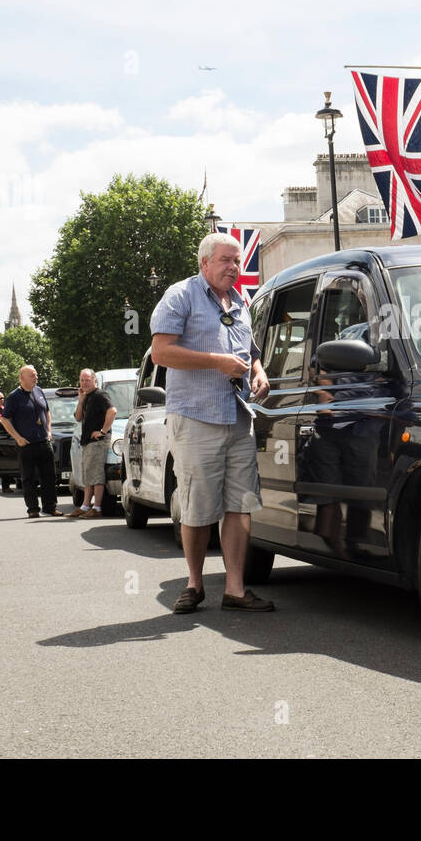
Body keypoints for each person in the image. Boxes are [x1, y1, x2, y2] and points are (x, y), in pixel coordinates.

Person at [151, 231, 272, 613]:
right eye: (226, 260)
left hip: (238, 415)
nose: (234, 268)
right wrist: (217, 361)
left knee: (240, 504)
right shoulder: (181, 295)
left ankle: (235, 589)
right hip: (196, 415)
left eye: (237, 261)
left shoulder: (241, 301)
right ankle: (194, 584)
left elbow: (251, 353)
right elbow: (161, 352)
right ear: (204, 263)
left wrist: (259, 371)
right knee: (198, 506)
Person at [0, 365, 65, 517]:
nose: (36, 378)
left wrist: (48, 430)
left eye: (36, 375)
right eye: (32, 375)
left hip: (43, 442)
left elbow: (46, 411)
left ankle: (50, 507)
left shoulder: (39, 390)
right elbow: (4, 419)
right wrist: (18, 437)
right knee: (28, 478)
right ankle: (33, 509)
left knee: (49, 476)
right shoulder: (14, 396)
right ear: (22, 378)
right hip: (26, 444)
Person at [65, 369, 116, 519]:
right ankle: (85, 506)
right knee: (88, 474)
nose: (84, 383)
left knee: (96, 475)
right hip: (87, 441)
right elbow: (78, 417)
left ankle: (97, 507)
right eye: (82, 380)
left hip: (97, 441)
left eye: (87, 380)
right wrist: (81, 400)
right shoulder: (87, 397)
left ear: (94, 380)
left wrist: (103, 431)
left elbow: (112, 411)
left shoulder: (100, 395)